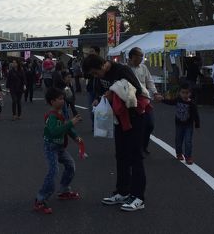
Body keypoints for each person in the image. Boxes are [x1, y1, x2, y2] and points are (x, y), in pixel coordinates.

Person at [83, 54, 150, 211]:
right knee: (121, 155)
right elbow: (102, 92)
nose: (95, 76)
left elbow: (137, 91)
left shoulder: (122, 70)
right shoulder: (101, 77)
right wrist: (99, 99)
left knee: (135, 156)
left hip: (135, 117)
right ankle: (122, 191)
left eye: (95, 72)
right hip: (120, 119)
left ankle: (139, 197)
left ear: (102, 65)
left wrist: (113, 94)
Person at [33, 87, 83, 215]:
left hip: (60, 147)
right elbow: (55, 132)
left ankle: (64, 190)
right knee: (53, 171)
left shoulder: (61, 114)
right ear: (52, 102)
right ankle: (40, 199)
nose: (62, 100)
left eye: (63, 98)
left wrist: (75, 137)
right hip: (51, 147)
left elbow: (66, 128)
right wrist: (71, 123)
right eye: (59, 99)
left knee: (70, 165)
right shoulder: (51, 117)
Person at [128, 47, 161, 155]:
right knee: (135, 126)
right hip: (131, 101)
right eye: (139, 56)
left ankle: (144, 145)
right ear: (132, 57)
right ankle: (136, 147)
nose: (141, 58)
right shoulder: (125, 68)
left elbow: (149, 81)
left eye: (142, 56)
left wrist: (155, 92)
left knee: (150, 124)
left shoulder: (143, 68)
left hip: (145, 99)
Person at [163, 84, 200, 164]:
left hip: (188, 125)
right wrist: (162, 100)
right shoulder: (178, 100)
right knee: (178, 139)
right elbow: (170, 102)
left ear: (190, 93)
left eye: (187, 93)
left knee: (188, 141)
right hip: (179, 123)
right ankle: (179, 153)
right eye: (183, 92)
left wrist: (197, 124)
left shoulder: (192, 104)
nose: (185, 95)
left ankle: (188, 157)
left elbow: (195, 114)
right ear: (180, 93)